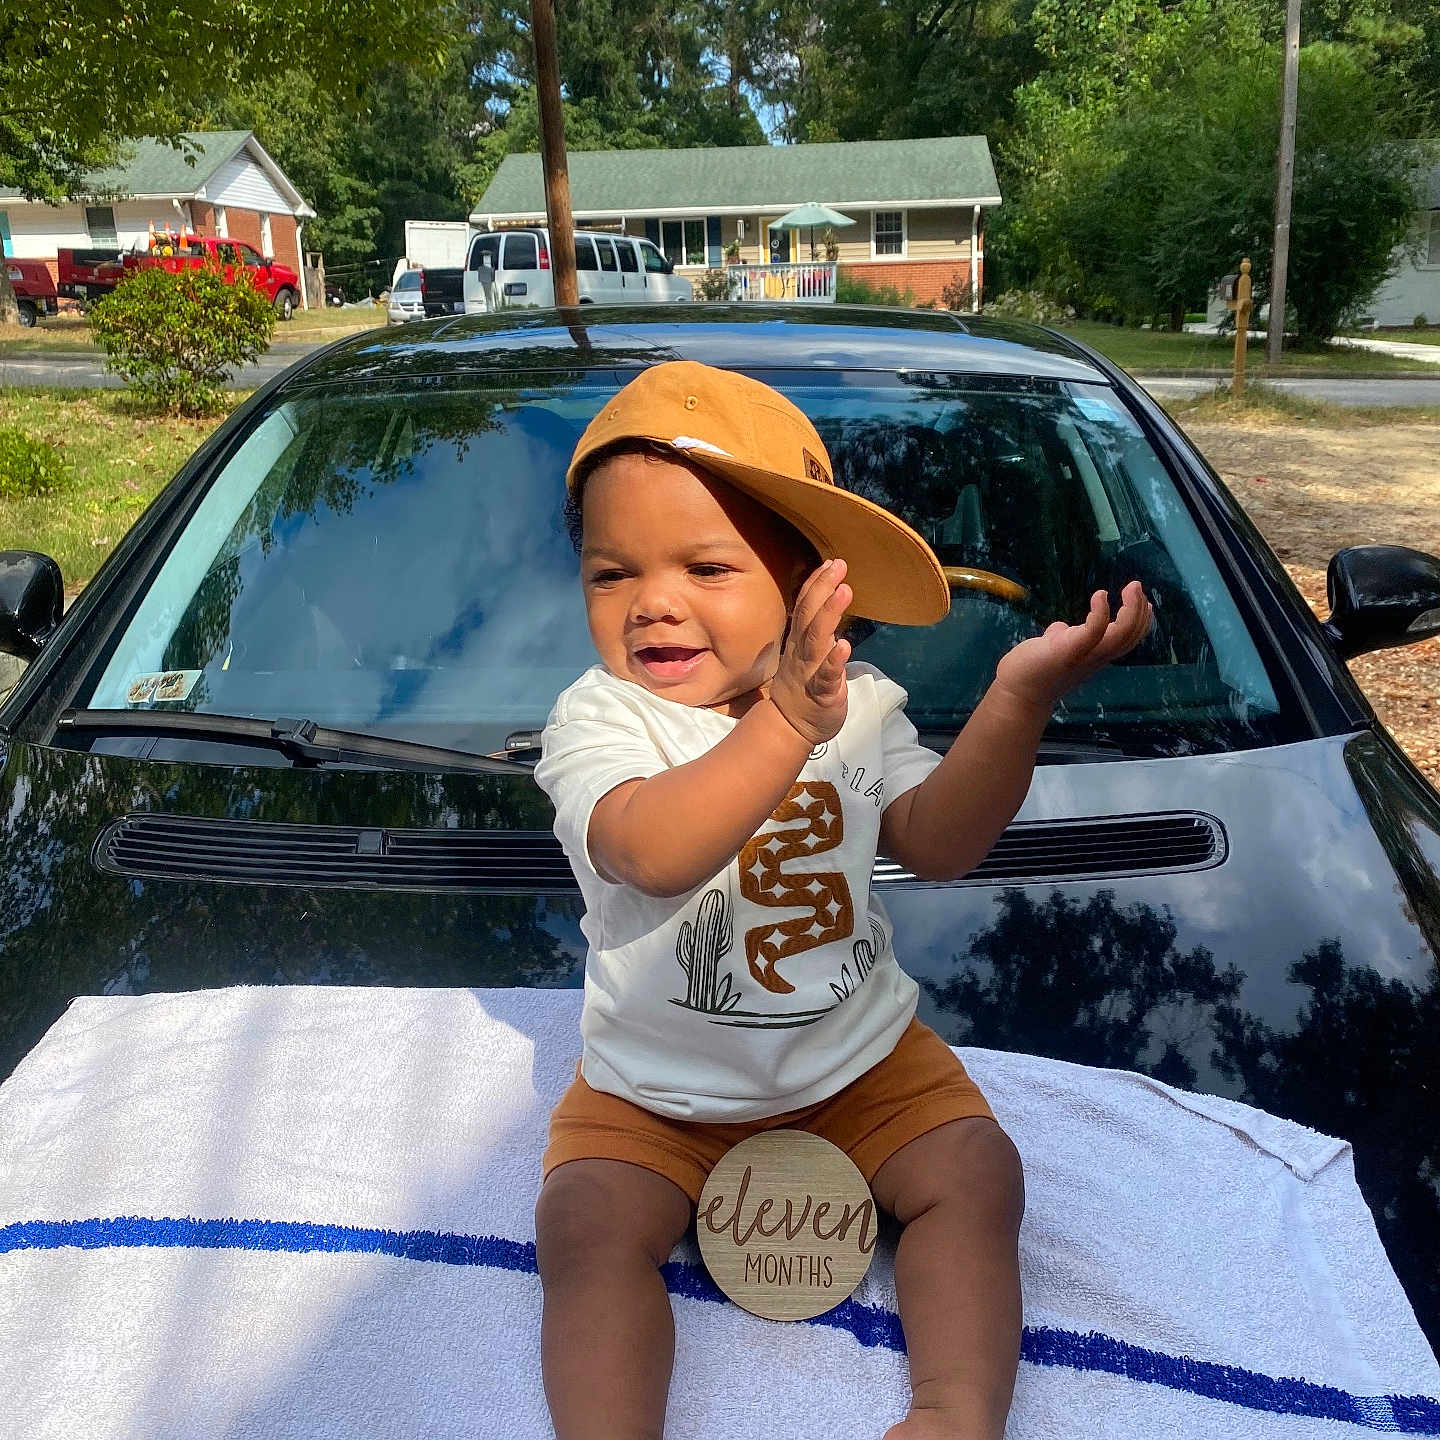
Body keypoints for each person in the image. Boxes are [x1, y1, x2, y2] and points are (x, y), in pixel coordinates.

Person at [532, 360, 1153, 1440]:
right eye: (610, 574)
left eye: (706, 567)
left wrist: (1016, 701)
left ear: (815, 584)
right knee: (584, 1228)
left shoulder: (863, 706)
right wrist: (783, 721)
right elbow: (652, 851)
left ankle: (953, 1415)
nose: (653, 603)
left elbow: (938, 840)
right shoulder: (601, 721)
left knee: (976, 1173)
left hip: (858, 1065)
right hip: (651, 1085)